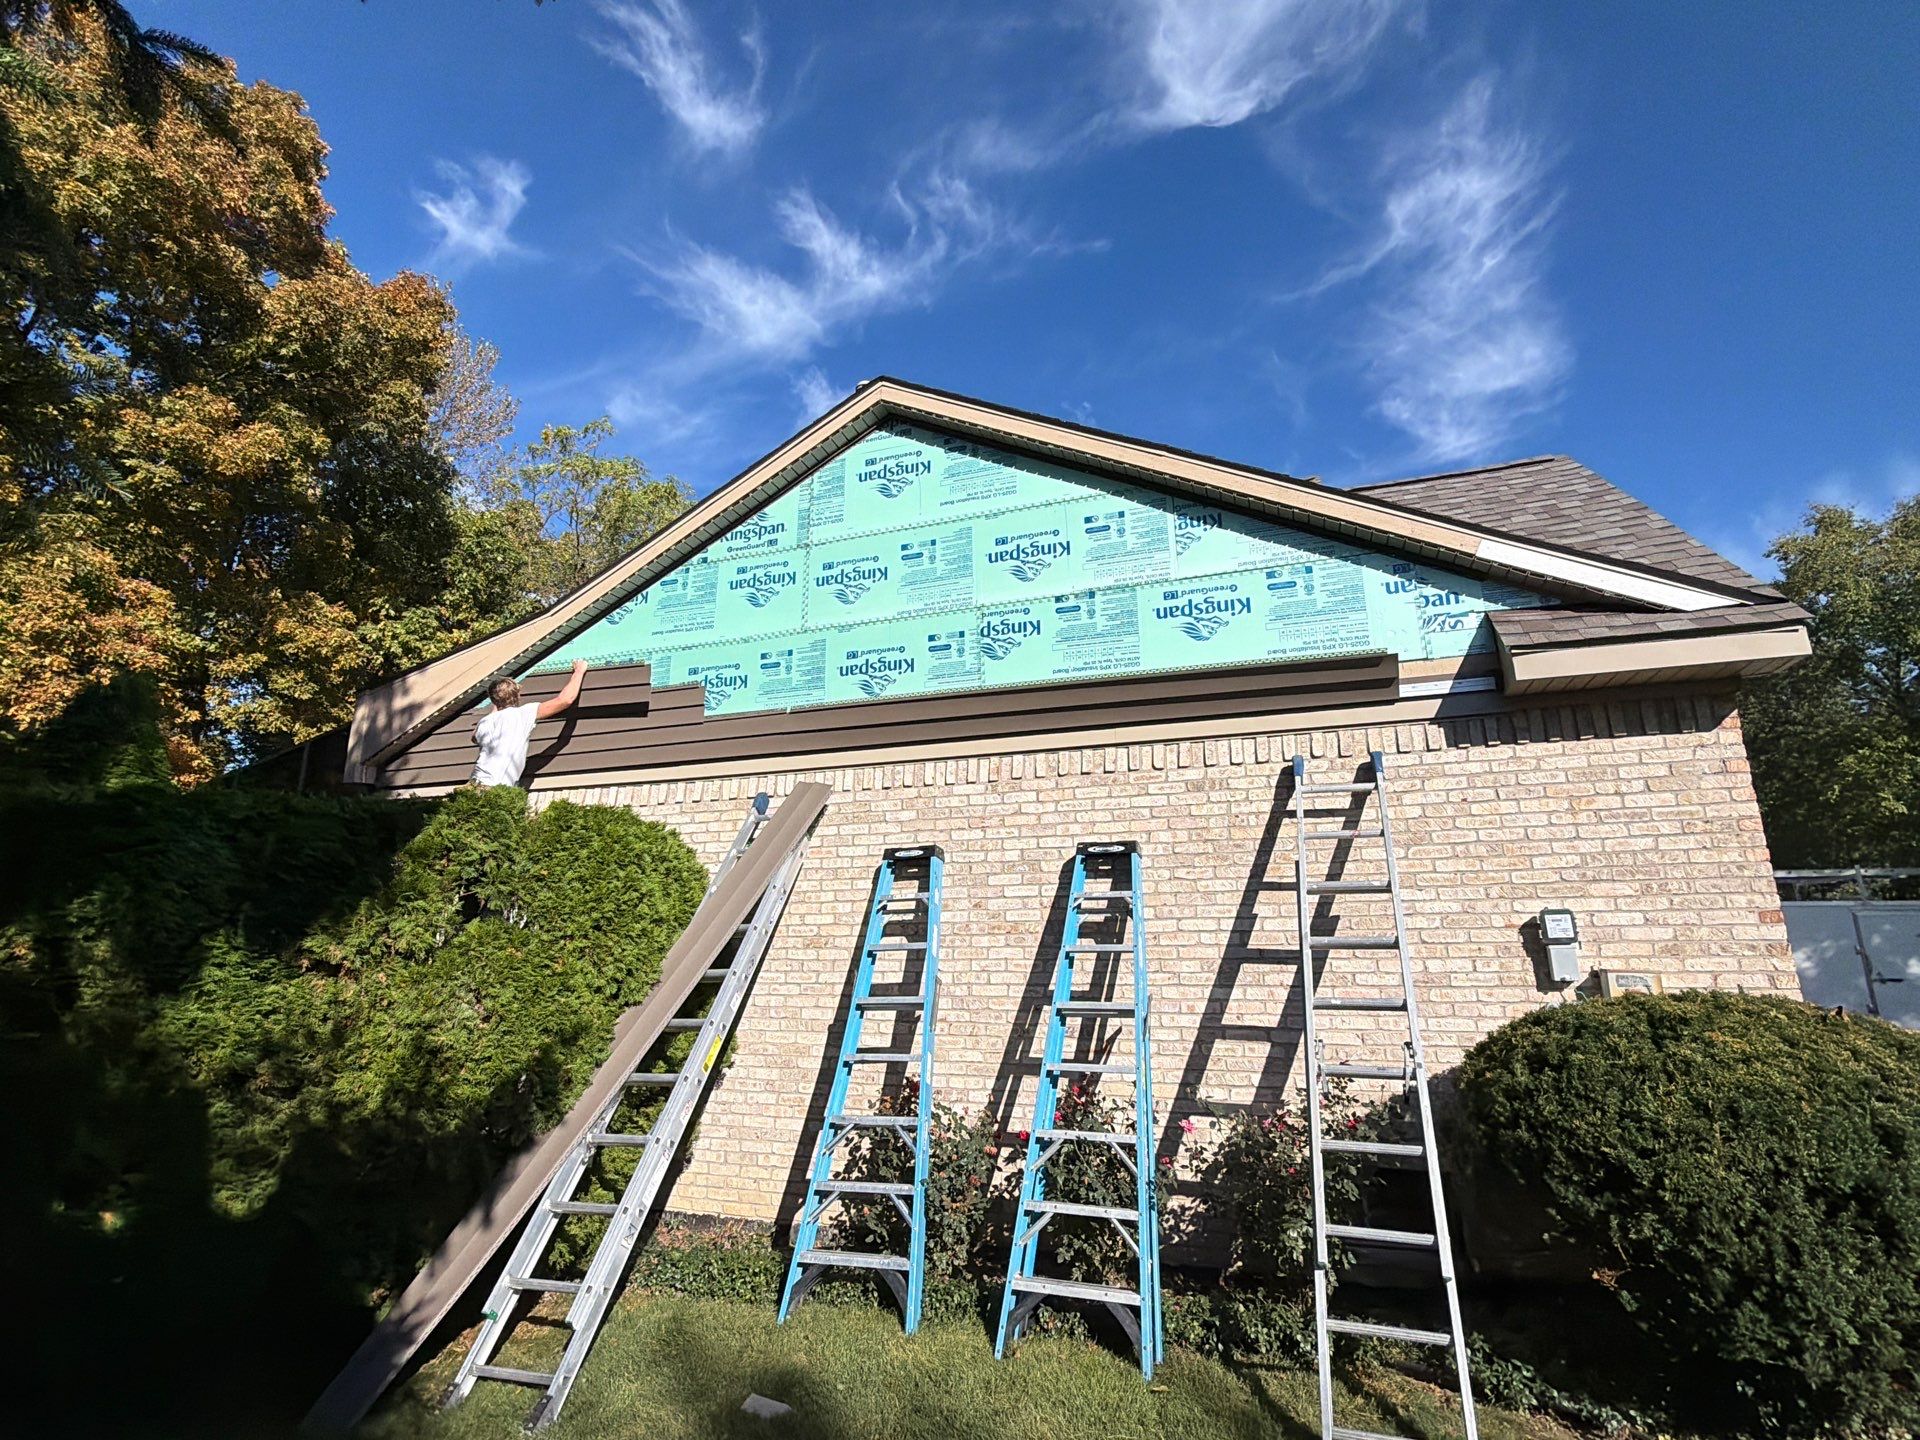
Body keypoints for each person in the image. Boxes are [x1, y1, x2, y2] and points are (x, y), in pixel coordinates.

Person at [472, 659, 588, 787]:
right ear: (518, 695)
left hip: (475, 783)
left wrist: (496, 704)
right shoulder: (523, 714)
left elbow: (474, 738)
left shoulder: (485, 721)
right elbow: (565, 700)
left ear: (492, 699)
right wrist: (579, 671)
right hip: (495, 786)